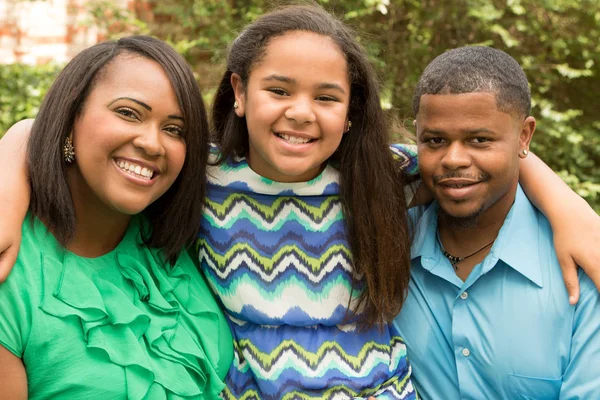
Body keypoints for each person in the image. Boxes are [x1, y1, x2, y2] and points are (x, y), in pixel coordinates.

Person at [1, 4, 600, 399]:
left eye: (327, 96)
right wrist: (14, 151)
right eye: (279, 90)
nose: (300, 112)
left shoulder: (379, 176)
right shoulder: (200, 176)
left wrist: (567, 206)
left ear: (351, 111)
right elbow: (92, 142)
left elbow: (477, 158)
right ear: (239, 92)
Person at [0, 36, 233, 399]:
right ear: (71, 115)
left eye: (174, 130)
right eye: (128, 113)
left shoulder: (180, 240)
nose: (153, 144)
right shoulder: (11, 277)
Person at [394, 46, 600, 399]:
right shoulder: (383, 246)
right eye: (435, 140)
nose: (454, 159)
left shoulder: (584, 267)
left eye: (479, 140)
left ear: (524, 136)